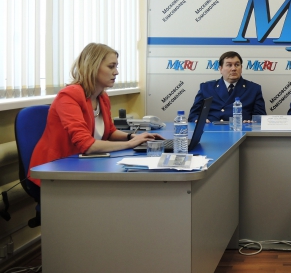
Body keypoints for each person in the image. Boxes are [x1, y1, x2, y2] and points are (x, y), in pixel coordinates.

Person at [28, 43, 162, 186]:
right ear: (93, 67)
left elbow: (109, 132)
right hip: (55, 171)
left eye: (116, 66)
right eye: (111, 67)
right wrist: (129, 144)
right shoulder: (68, 96)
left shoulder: (102, 97)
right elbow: (87, 145)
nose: (116, 72)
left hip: (83, 164)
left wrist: (133, 137)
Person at [189, 51, 266, 122]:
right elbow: (193, 116)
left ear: (241, 68)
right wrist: (199, 120)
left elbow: (261, 119)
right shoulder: (206, 88)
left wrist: (252, 123)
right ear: (221, 69)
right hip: (213, 130)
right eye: (229, 65)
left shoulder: (254, 89)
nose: (234, 68)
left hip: (241, 130)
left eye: (237, 65)